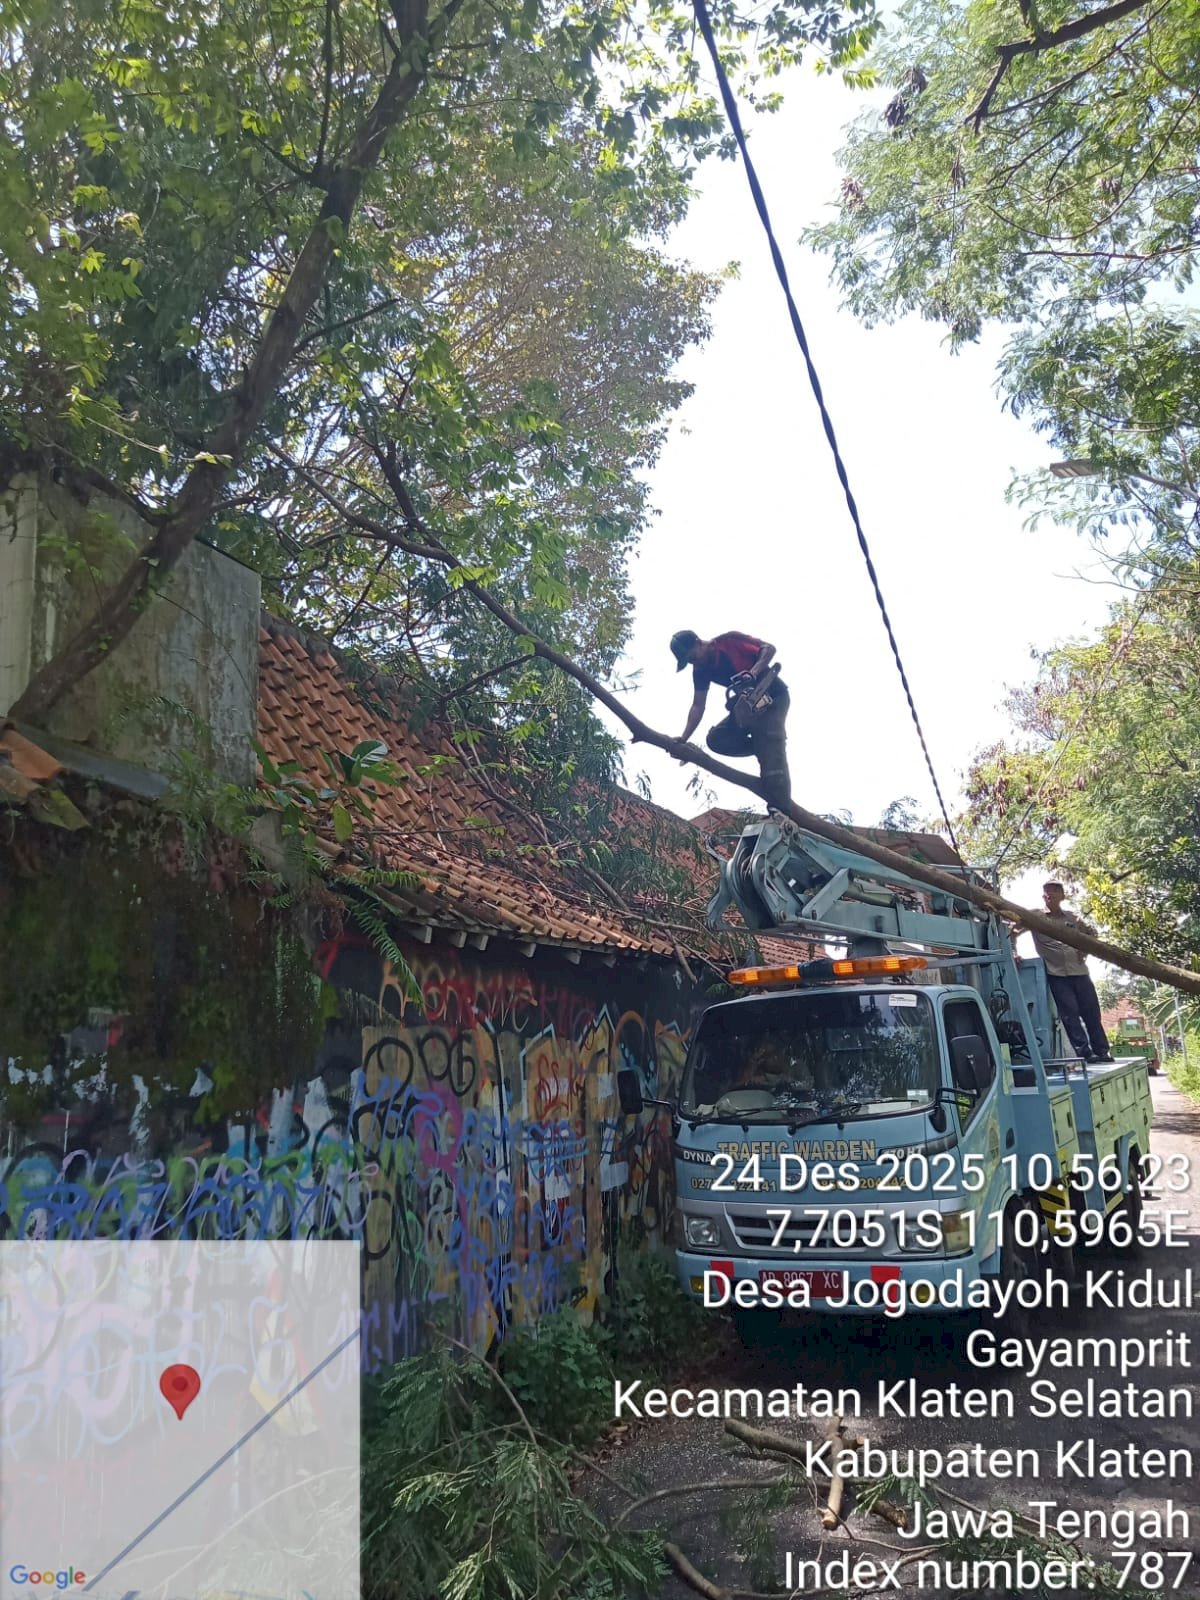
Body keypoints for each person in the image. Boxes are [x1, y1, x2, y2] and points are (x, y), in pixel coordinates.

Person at [670, 628, 791, 811]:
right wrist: (684, 738)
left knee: (772, 742)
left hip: (773, 697)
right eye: (689, 661)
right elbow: (698, 705)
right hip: (747, 705)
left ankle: (782, 810)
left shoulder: (729, 642)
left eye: (693, 657)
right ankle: (760, 747)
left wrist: (753, 672)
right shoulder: (700, 671)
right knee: (717, 740)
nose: (694, 663)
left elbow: (769, 648)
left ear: (698, 642)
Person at [1026, 882, 1113, 1063]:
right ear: (1043, 896)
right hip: (1057, 974)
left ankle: (1102, 1051)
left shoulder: (1072, 918)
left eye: (1056, 891)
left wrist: (1085, 950)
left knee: (1091, 1013)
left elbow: (1092, 934)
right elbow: (1012, 930)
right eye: (1047, 891)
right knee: (1070, 1014)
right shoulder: (1035, 916)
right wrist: (1013, 952)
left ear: (1063, 896)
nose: (1051, 894)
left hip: (1079, 971)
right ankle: (1085, 1053)